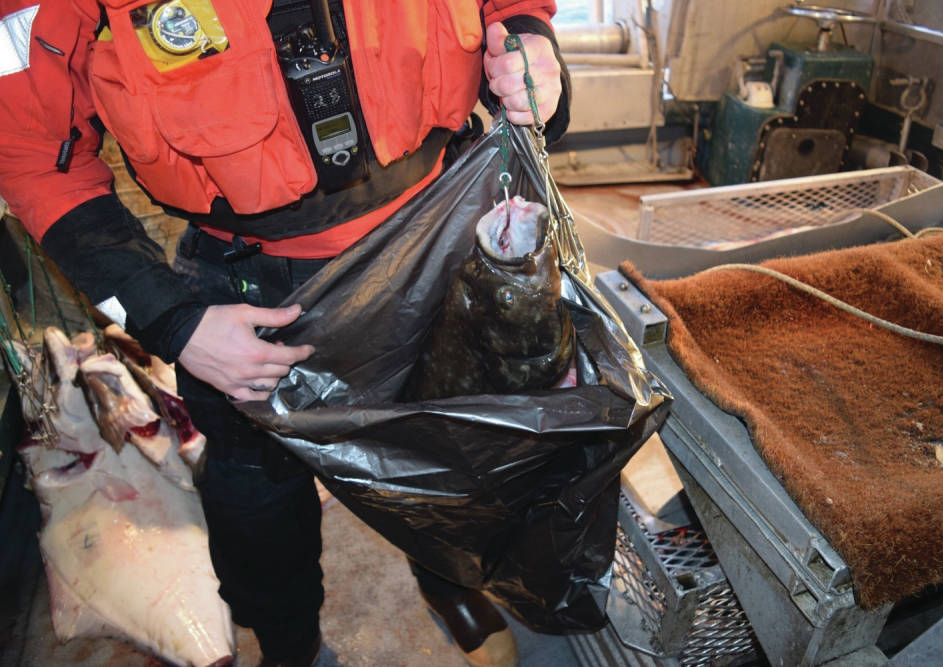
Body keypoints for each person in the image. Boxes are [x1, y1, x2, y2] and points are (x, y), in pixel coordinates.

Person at [0, 1, 571, 666]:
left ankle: (449, 580)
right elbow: (36, 156)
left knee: (451, 448)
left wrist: (531, 41)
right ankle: (288, 644)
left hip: (431, 228)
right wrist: (174, 321)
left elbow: (511, 9)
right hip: (245, 286)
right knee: (255, 506)